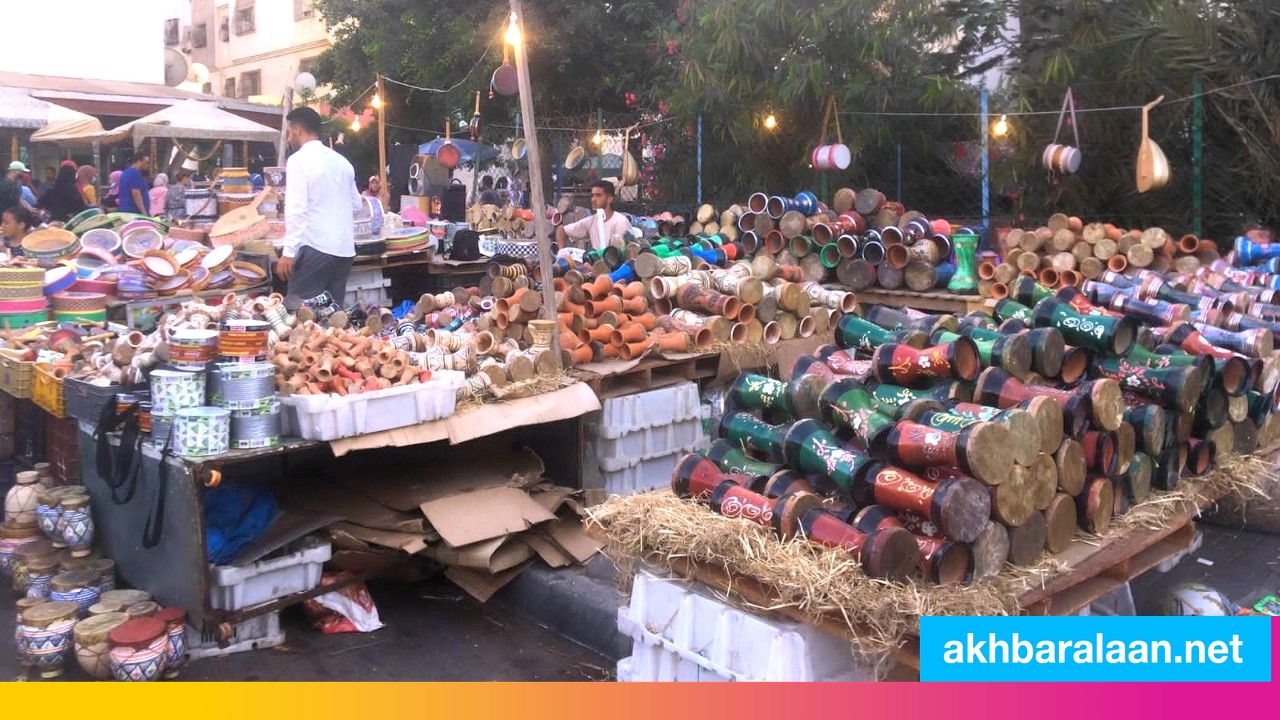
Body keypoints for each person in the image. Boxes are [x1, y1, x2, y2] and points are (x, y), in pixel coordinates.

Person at [276, 106, 362, 306]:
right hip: (344, 251)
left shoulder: (298, 160)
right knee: (333, 317)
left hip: (316, 248)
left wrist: (289, 253)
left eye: (289, 132)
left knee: (301, 315)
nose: (288, 137)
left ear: (297, 129)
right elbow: (356, 205)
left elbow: (297, 211)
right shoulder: (342, 162)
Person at [556, 180, 632, 251]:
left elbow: (622, 253)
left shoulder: (620, 222)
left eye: (598, 195)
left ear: (609, 199)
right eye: (592, 195)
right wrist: (561, 252)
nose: (593, 199)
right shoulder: (591, 221)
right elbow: (561, 230)